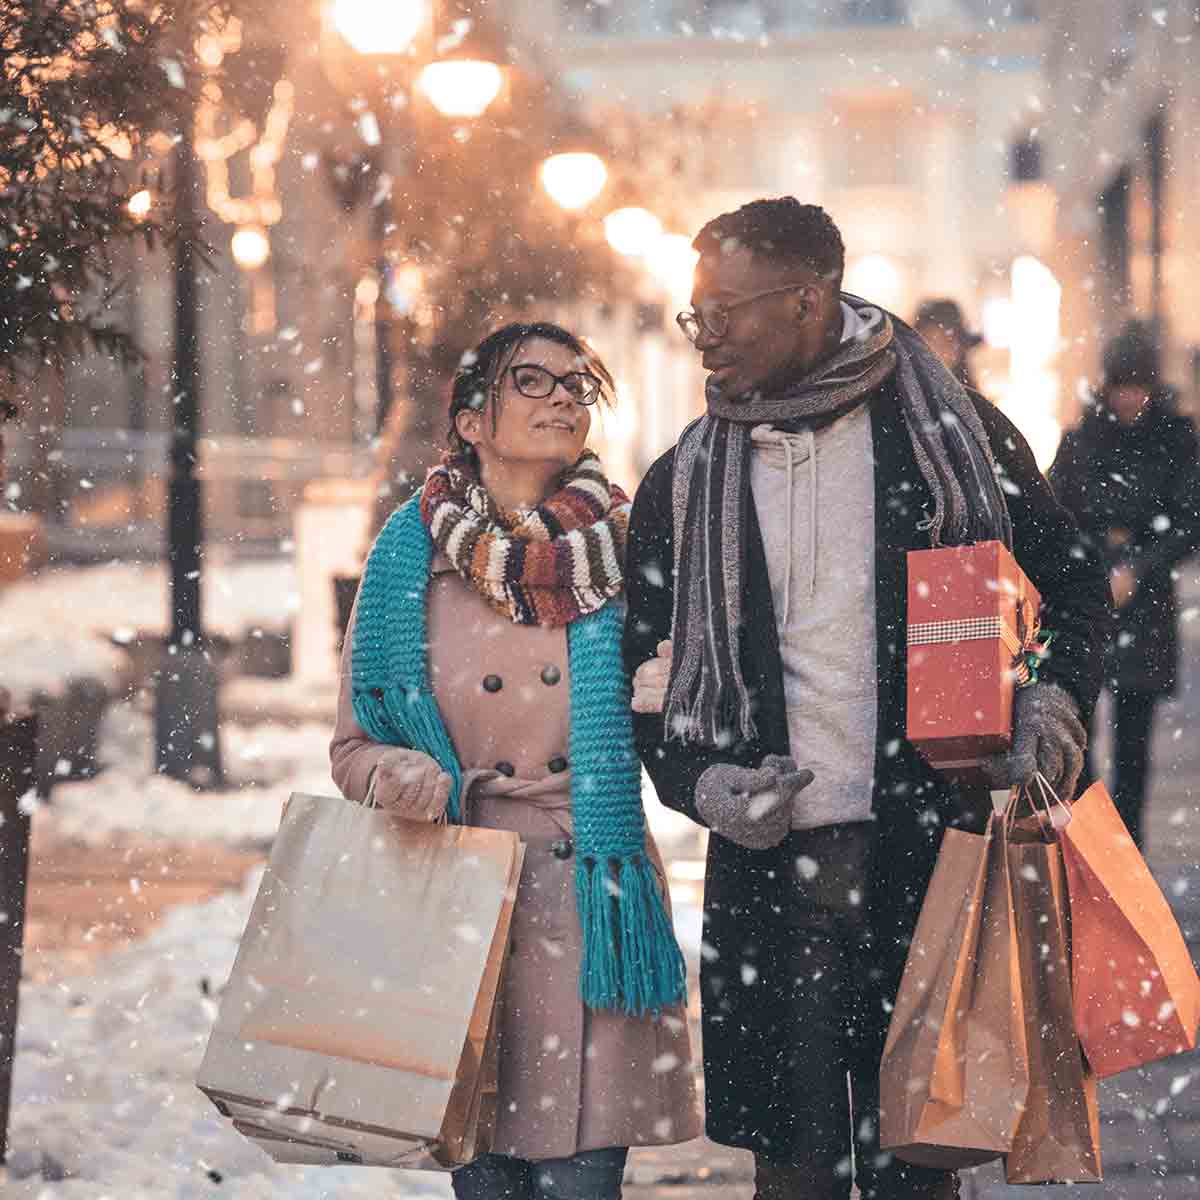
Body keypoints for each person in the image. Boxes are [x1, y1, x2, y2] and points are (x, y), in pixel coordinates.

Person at [622, 198, 1110, 1200]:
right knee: (792, 1174)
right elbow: (651, 672)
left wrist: (1047, 705)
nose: (704, 332)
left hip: (927, 848)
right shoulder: (685, 479)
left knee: (917, 1165)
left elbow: (1068, 585)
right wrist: (704, 783)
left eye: (725, 308)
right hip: (771, 871)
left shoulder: (949, 439)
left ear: (809, 300)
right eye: (694, 311)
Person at [331, 321, 700, 1200]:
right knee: (487, 1179)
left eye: (579, 383)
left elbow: (694, 700)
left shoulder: (630, 547)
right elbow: (353, 745)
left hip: (593, 896)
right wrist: (397, 774)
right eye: (532, 381)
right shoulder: (404, 562)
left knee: (583, 1180)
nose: (565, 397)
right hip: (462, 899)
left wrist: (674, 687)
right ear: (470, 420)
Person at [1048, 325, 1200, 849]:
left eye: (1138, 386)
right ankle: (1090, 847)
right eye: (1122, 386)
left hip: (1147, 605)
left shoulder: (1175, 438)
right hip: (1091, 604)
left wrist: (1138, 564)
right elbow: (1057, 511)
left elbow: (1188, 518)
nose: (1130, 398)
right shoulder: (1085, 437)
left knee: (1134, 747)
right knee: (1079, 738)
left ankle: (1125, 851)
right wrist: (1094, 567)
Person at [912, 298, 983, 392]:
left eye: (948, 340)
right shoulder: (903, 390)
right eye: (932, 340)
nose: (942, 349)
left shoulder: (972, 398)